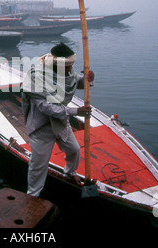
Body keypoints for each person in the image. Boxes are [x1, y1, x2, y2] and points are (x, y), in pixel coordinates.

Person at [22, 42, 94, 197]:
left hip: (61, 123)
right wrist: (76, 111)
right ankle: (33, 194)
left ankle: (70, 171)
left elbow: (77, 83)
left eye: (71, 66)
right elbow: (44, 107)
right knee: (38, 165)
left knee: (74, 150)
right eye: (67, 67)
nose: (70, 69)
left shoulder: (68, 71)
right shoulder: (35, 76)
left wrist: (88, 80)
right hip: (42, 126)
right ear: (56, 65)